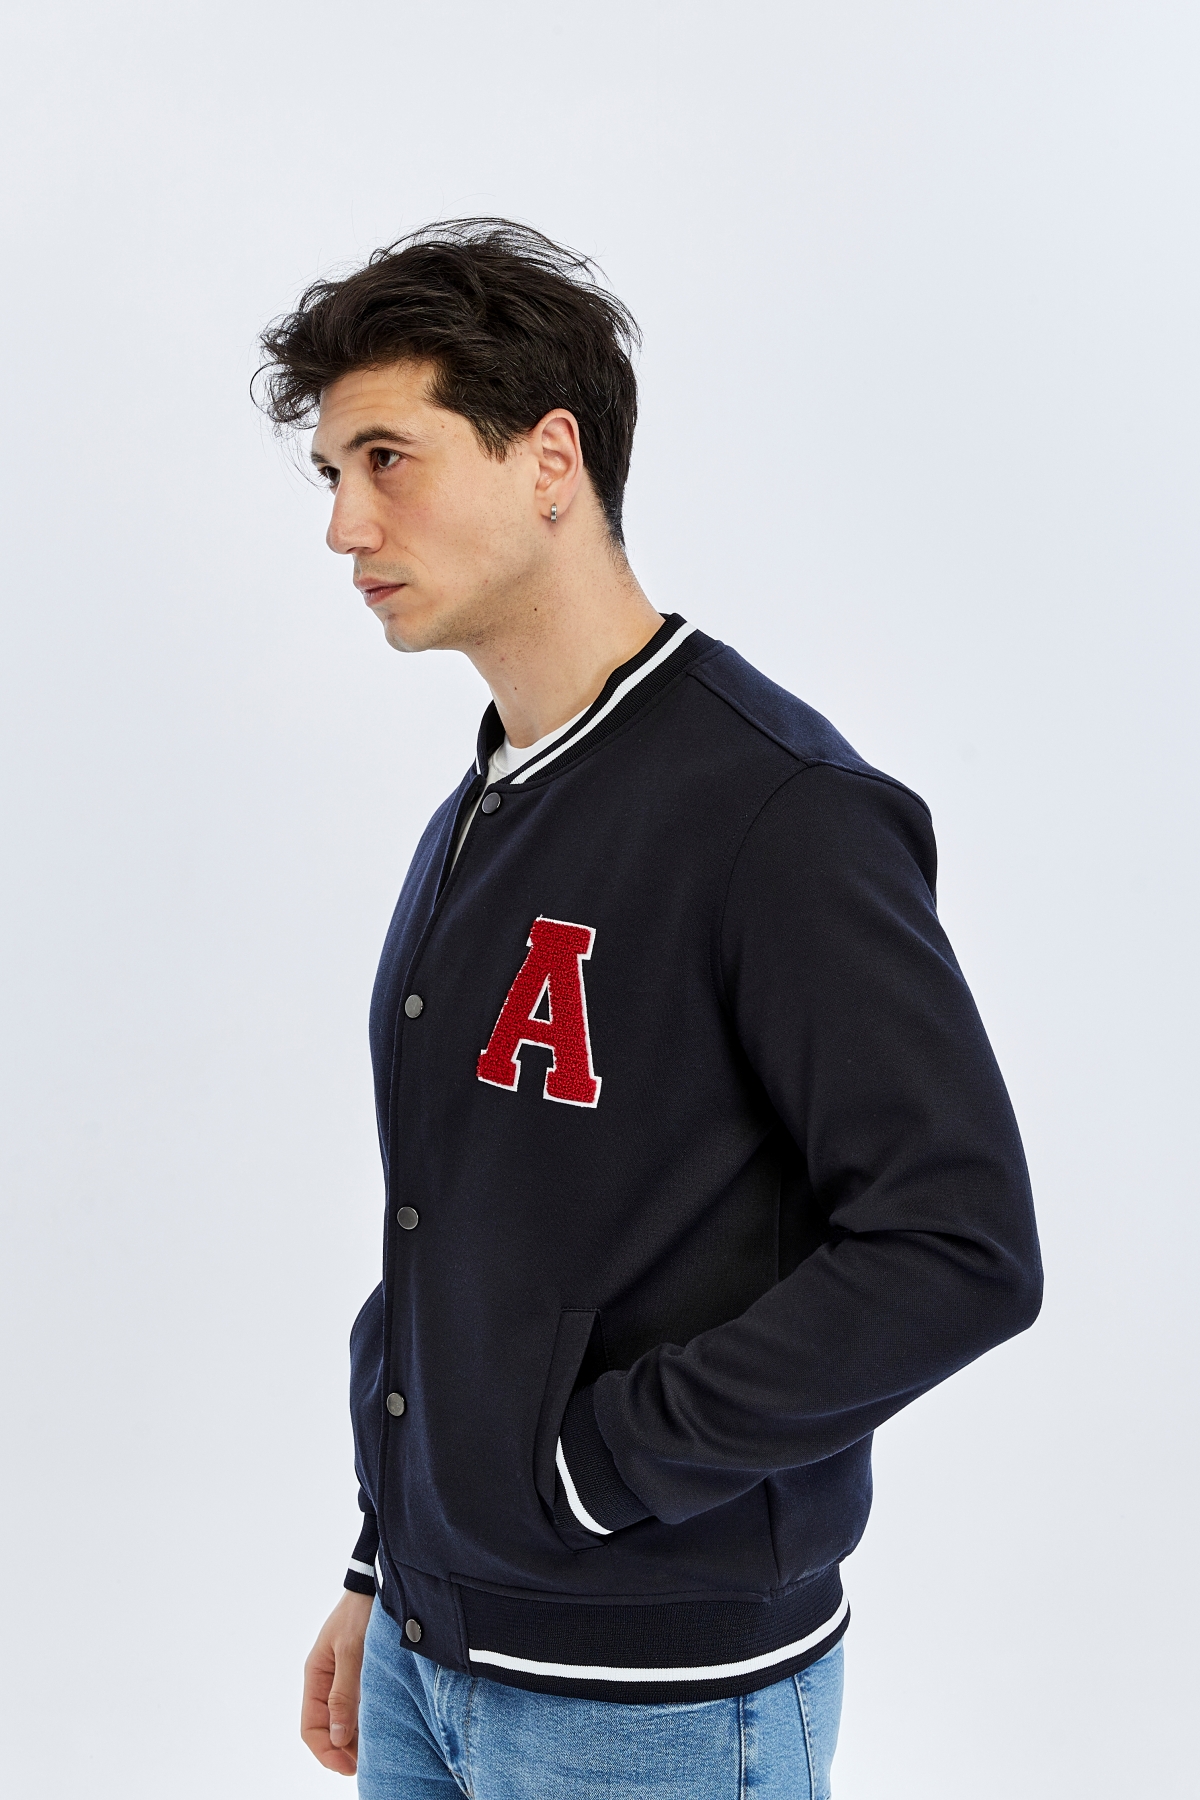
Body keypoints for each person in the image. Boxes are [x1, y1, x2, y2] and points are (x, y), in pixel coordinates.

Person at [256, 220, 1042, 1799]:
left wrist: (593, 1472)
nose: (344, 524)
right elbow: (467, 1222)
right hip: (428, 1648)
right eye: (334, 472)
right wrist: (384, 1550)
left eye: (388, 459)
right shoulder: (491, 798)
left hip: (653, 1707)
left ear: (551, 460)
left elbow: (959, 1246)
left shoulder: (779, 811)